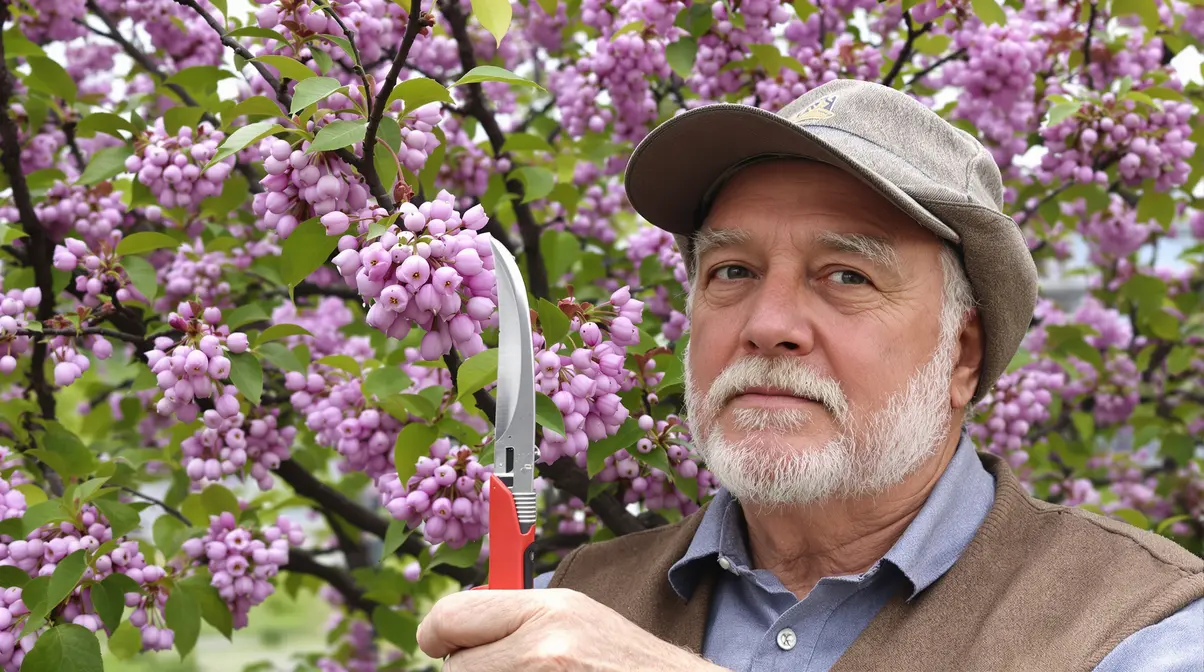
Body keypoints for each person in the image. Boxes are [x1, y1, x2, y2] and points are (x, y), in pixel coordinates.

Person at [416, 79, 1204, 671]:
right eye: (731, 271)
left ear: (962, 354)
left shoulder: (1141, 622)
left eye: (847, 276)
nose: (768, 324)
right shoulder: (571, 604)